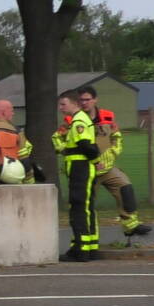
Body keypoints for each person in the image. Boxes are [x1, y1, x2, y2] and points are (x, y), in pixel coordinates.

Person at [76, 85, 152, 237]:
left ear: (95, 100)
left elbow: (116, 137)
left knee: (125, 187)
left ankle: (131, 225)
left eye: (87, 100)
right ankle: (87, 237)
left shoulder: (107, 117)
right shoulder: (74, 120)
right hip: (87, 169)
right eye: (81, 100)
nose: (84, 103)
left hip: (108, 167)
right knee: (86, 205)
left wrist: (112, 154)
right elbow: (62, 142)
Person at [53, 89, 100, 262]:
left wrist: (95, 160)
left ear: (74, 103)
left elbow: (86, 146)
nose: (60, 108)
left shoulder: (79, 120)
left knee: (79, 207)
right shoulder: (78, 120)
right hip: (81, 167)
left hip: (81, 168)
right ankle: (90, 247)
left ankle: (80, 249)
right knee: (85, 207)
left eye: (63, 104)